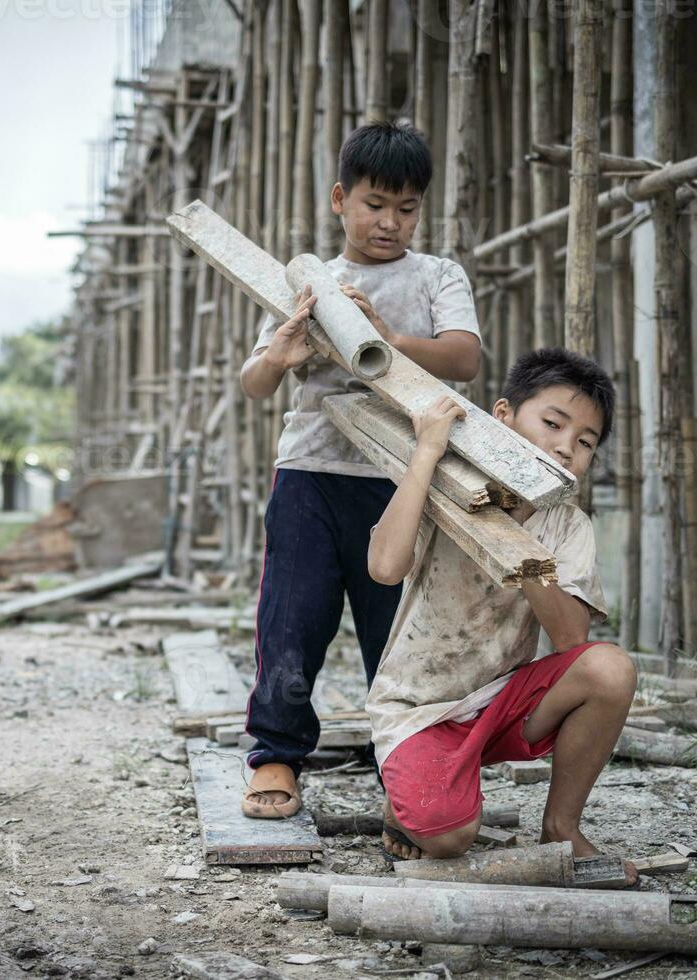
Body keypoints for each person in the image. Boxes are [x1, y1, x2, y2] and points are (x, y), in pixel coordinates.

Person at [238, 121, 482, 818]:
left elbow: (463, 356)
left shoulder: (436, 275)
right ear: (341, 199)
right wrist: (283, 354)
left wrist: (384, 339)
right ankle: (277, 757)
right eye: (375, 204)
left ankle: (402, 774)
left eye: (406, 209)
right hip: (310, 472)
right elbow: (255, 382)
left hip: (398, 481)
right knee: (292, 621)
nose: (390, 222)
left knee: (397, 635)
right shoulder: (313, 281)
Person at [366, 348, 638, 883]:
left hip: (502, 700)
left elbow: (570, 638)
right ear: (504, 415)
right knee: (449, 837)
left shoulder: (567, 525)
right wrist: (427, 452)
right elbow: (383, 566)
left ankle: (561, 826)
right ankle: (408, 807)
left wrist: (521, 547)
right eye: (553, 424)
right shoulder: (450, 486)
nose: (565, 447)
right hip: (420, 708)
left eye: (585, 442)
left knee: (609, 668)